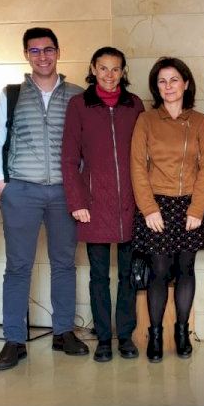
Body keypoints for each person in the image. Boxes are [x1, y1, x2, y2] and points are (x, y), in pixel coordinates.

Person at [0, 28, 87, 371]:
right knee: (18, 267)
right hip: (22, 190)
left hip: (65, 192)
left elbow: (86, 146)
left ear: (58, 52)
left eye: (48, 50)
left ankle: (63, 332)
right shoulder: (11, 94)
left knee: (64, 264)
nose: (42, 56)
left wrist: (81, 187)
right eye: (34, 51)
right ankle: (14, 340)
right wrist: (1, 184)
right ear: (26, 55)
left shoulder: (77, 96)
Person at [130, 57, 204, 362]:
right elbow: (137, 167)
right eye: (162, 81)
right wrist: (148, 208)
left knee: (185, 269)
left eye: (174, 80)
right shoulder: (146, 120)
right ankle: (155, 335)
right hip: (157, 205)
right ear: (156, 87)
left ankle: (182, 332)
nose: (168, 86)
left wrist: (197, 209)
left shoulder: (200, 122)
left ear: (186, 83)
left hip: (190, 205)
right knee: (158, 271)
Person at [60, 47, 146, 363]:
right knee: (99, 276)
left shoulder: (134, 105)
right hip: (93, 204)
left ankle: (125, 336)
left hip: (130, 203)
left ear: (123, 72)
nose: (110, 75)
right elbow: (69, 159)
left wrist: (145, 201)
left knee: (128, 275)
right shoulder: (79, 105)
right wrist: (77, 201)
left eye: (115, 69)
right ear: (93, 69)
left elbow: (144, 155)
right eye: (104, 68)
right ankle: (104, 339)